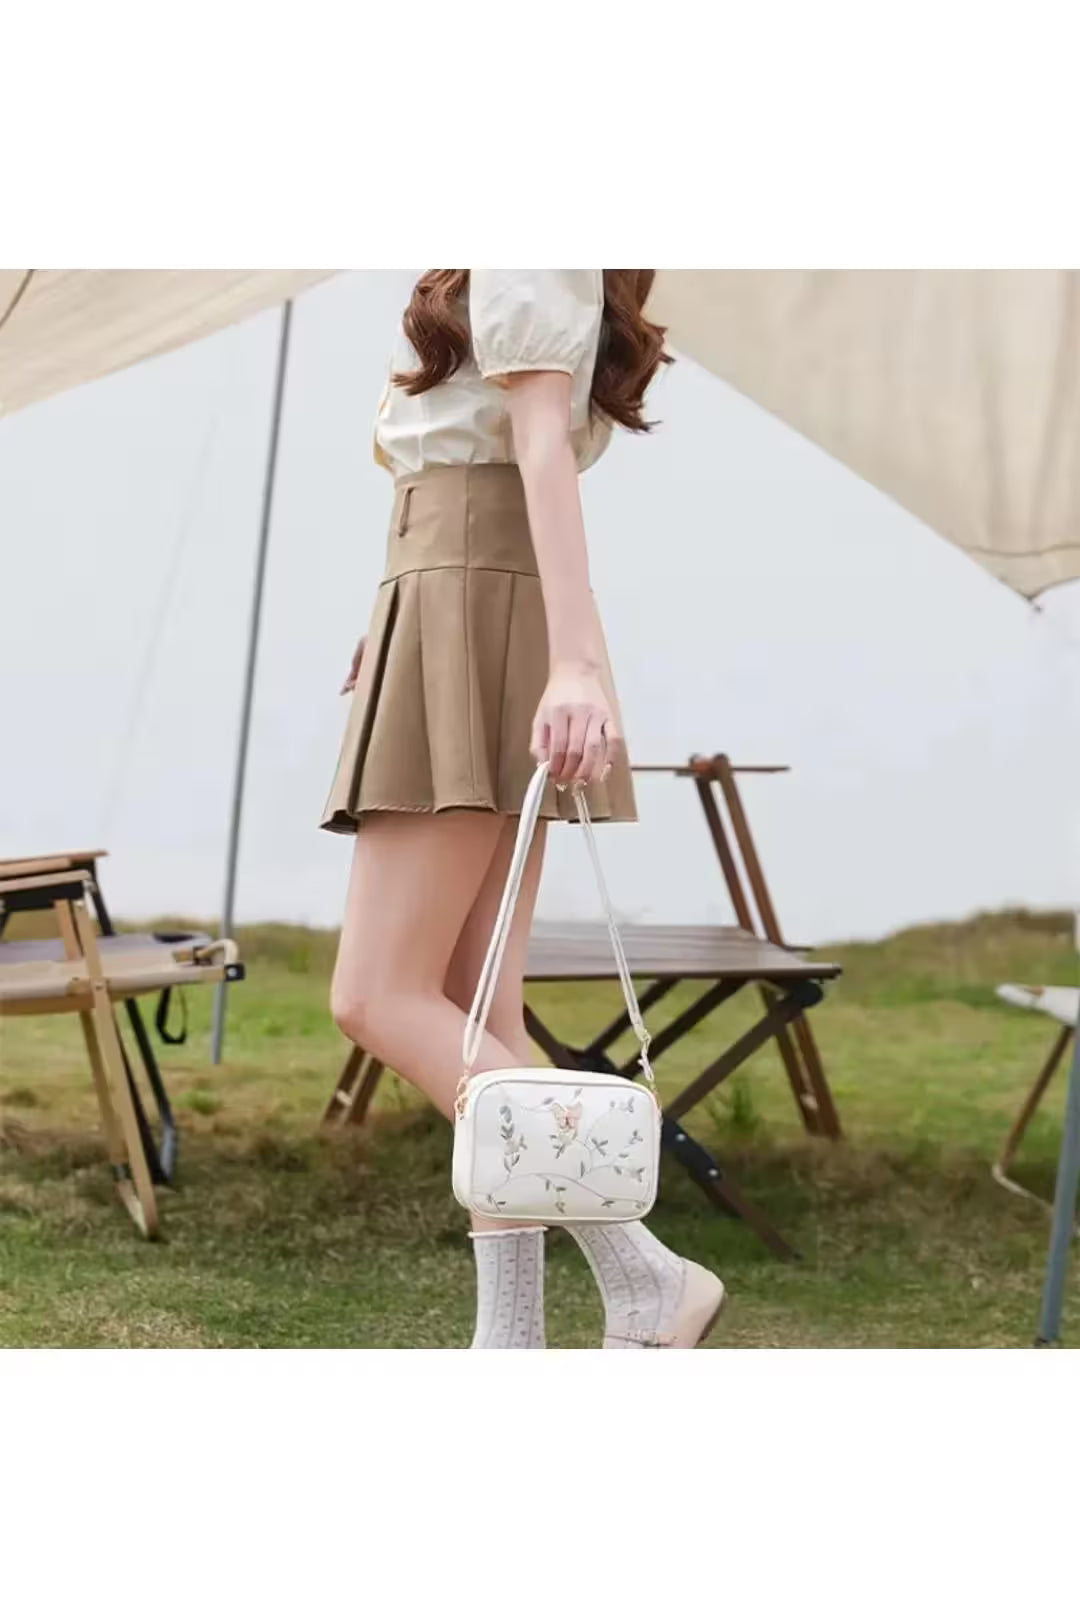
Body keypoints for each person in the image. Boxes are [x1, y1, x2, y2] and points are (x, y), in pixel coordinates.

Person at [323, 269, 725, 1349]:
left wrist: (575, 665)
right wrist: (398, 594)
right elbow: (482, 452)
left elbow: (540, 448)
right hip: (446, 598)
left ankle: (644, 1268)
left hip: (480, 607)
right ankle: (515, 1341)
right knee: (475, 1018)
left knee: (376, 994)